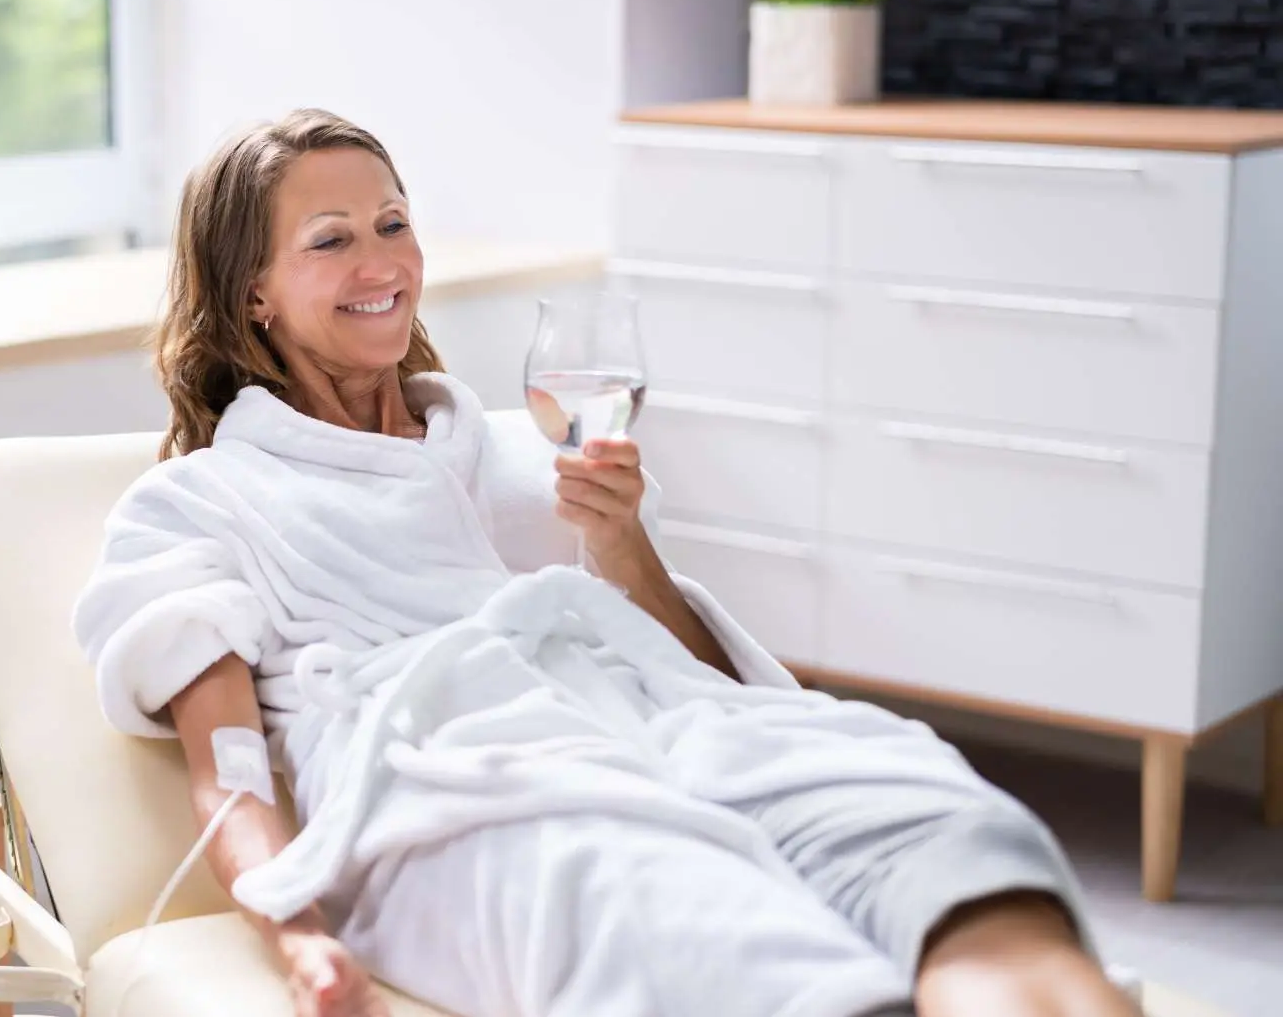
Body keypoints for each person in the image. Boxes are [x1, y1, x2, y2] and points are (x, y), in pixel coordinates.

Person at [73, 109, 1140, 1017]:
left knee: (922, 811)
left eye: (394, 224)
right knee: (697, 923)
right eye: (331, 240)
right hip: (466, 795)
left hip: (668, 727)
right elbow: (230, 768)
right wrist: (294, 929)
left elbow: (699, 679)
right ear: (252, 291)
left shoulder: (513, 452)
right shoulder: (200, 505)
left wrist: (625, 548)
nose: (381, 264)